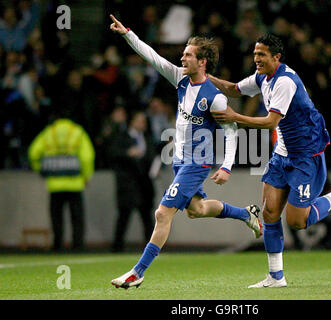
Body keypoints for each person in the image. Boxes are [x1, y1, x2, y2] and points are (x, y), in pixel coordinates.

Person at [209, 33, 331, 288]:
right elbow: (233, 89)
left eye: (261, 54)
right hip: (283, 153)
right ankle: (276, 277)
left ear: (276, 57)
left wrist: (235, 117)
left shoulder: (285, 82)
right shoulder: (261, 78)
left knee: (298, 222)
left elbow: (270, 122)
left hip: (306, 155)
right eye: (255, 54)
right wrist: (204, 76)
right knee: (269, 212)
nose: (256, 59)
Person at [109, 14, 262, 289]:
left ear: (202, 62)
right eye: (183, 54)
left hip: (198, 163)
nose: (182, 59)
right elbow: (152, 56)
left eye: (188, 55)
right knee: (197, 209)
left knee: (162, 213)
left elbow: (231, 132)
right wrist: (127, 33)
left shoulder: (214, 97)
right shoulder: (179, 78)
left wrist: (226, 166)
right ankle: (246, 215)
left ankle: (138, 272)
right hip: (180, 160)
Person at [28, 109, 95, 251]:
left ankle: (57, 245)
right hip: (75, 183)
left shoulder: (49, 132)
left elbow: (33, 152)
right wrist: (86, 175)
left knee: (56, 217)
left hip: (54, 183)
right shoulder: (77, 131)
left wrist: (40, 168)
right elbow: (87, 156)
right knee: (77, 217)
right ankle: (78, 245)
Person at [108, 111, 156, 252]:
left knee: (147, 217)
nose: (143, 124)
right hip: (128, 184)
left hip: (144, 185)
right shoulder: (121, 137)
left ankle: (152, 249)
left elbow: (152, 156)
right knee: (124, 216)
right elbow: (112, 154)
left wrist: (154, 167)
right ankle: (117, 247)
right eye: (140, 120)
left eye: (144, 121)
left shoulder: (147, 138)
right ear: (132, 122)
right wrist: (128, 153)